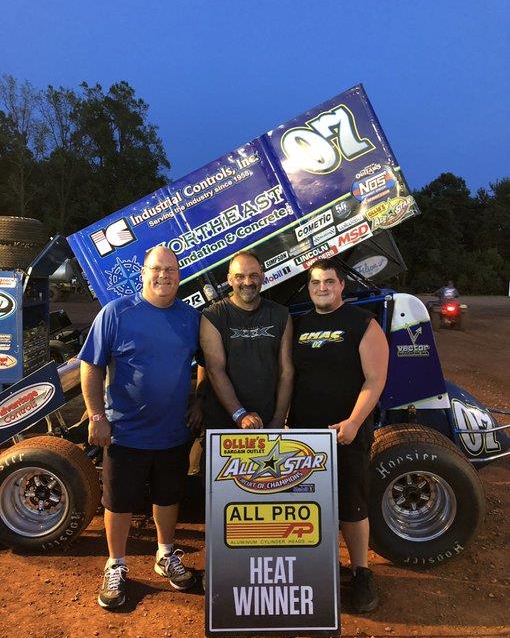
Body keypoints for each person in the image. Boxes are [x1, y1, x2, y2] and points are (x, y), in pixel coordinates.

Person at [79, 245, 201, 610]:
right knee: (118, 502)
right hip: (125, 431)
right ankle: (116, 564)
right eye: (157, 269)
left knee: (168, 497)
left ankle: (165, 555)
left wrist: (199, 399)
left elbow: (206, 360)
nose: (164, 275)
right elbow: (91, 365)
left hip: (173, 432)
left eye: (171, 270)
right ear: (143, 273)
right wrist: (96, 416)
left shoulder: (191, 318)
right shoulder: (116, 313)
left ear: (179, 276)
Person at [288, 258, 389, 613]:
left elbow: (375, 379)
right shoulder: (300, 324)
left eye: (329, 281)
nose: (322, 288)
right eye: (316, 282)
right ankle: (320, 569)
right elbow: (289, 376)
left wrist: (354, 422)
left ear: (342, 285)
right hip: (304, 435)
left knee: (351, 503)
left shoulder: (363, 323)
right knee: (309, 503)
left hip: (346, 432)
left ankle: (361, 572)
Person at [200, 250, 293, 430]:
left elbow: (286, 371)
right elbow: (215, 370)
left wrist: (279, 419)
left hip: (267, 422)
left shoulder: (281, 315)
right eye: (240, 276)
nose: (247, 282)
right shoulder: (213, 316)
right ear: (229, 279)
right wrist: (239, 414)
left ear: (262, 277)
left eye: (253, 275)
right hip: (224, 424)